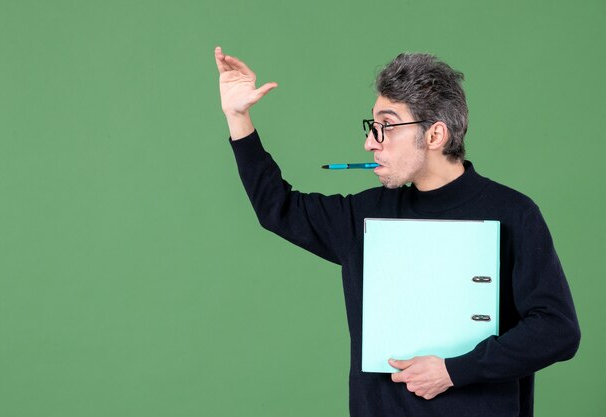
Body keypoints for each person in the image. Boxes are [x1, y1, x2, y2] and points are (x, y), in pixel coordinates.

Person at [214, 46, 580, 417]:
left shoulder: (513, 213)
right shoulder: (365, 214)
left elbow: (557, 330)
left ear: (435, 135)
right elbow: (278, 208)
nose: (370, 142)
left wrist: (454, 371)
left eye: (386, 126)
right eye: (372, 126)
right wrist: (237, 116)